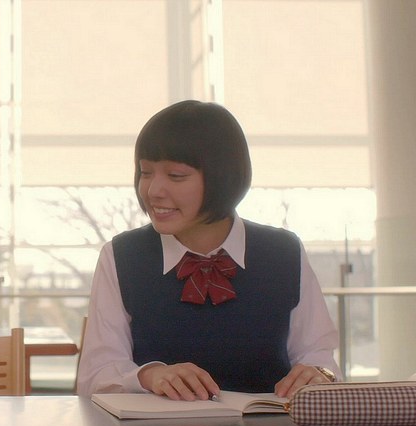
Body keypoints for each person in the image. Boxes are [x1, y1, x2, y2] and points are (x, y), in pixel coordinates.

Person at [76, 100, 340, 401]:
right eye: (146, 172)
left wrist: (318, 374)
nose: (152, 191)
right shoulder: (121, 255)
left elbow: (320, 358)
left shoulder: (283, 252)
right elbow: (96, 375)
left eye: (175, 176)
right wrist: (149, 376)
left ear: (222, 176)